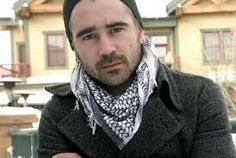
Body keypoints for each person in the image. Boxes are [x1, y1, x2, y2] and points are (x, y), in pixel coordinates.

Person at [38, 0, 236, 157]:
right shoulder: (57, 114)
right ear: (74, 46)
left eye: (116, 29)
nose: (107, 49)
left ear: (140, 31)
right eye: (88, 36)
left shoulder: (199, 97)